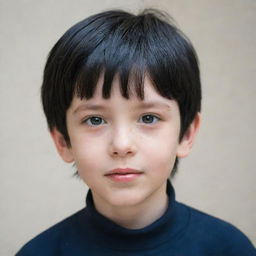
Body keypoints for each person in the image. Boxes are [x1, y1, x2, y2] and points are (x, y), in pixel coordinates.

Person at [16, 9, 255, 255]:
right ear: (63, 141)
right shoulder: (39, 252)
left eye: (149, 118)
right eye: (95, 120)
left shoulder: (229, 248)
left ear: (186, 134)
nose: (122, 144)